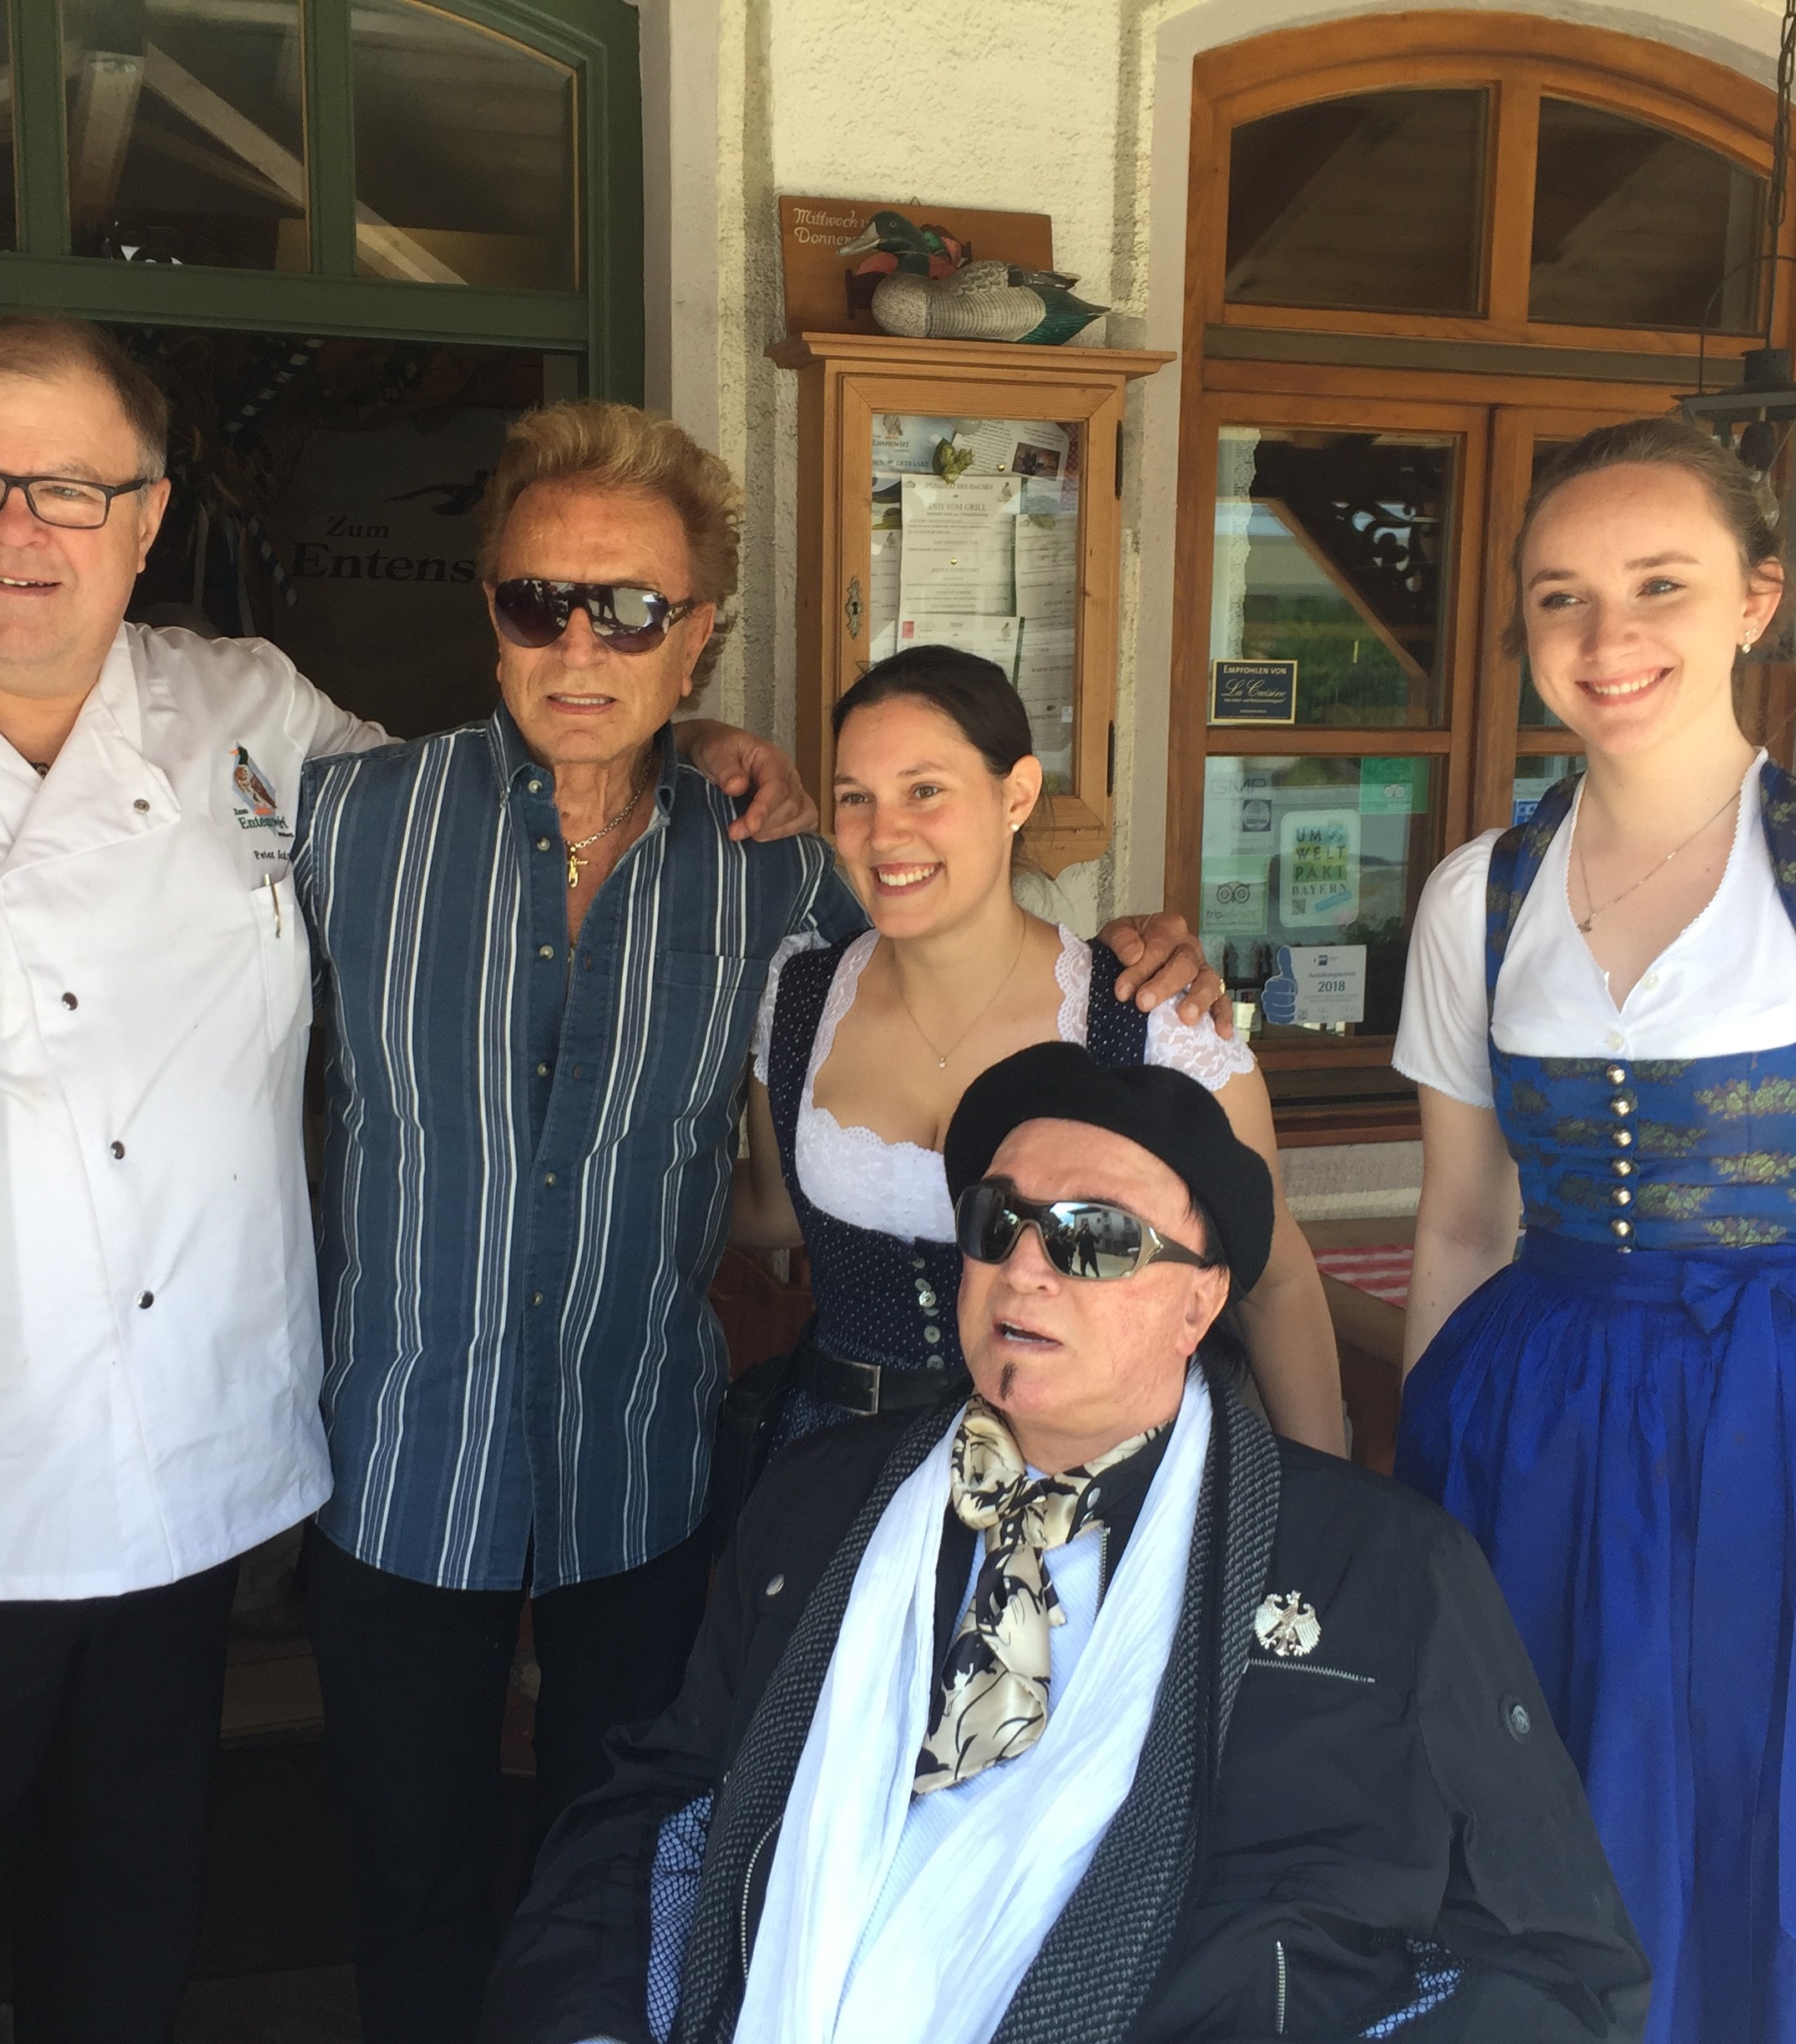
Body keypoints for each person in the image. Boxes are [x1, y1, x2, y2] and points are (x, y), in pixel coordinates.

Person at [0, 313, 807, 2043]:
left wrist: (703, 747)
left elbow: (546, 791)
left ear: (147, 515)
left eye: (72, 488)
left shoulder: (249, 714)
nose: (19, 529)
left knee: (134, 1951)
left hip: (189, 1498)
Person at [291, 401, 1220, 2044]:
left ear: (698, 633)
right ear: (489, 612)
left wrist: (1141, 953)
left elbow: (962, 936)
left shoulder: (774, 870)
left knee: (625, 1871)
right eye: (538, 603)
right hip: (400, 1461)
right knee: (403, 1874)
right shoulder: (349, 822)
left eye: (630, 609)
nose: (582, 647)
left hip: (642, 1471)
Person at [484, 1045, 1652, 2044]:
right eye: (998, 1223)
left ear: (1201, 1302)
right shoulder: (820, 1501)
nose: (1027, 1266)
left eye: (1096, 1238)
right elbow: (663, 1806)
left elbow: (1554, 1966)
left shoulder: (1381, 1574)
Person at [1392, 416, 1796, 2044]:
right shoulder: (1479, 895)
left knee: (1780, 1841)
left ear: (1756, 599)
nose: (1605, 637)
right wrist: (1415, 1540)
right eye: (1559, 596)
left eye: (1658, 585)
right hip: (1531, 1436)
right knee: (1539, 1838)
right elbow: (1459, 1229)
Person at [729, 645, 1343, 1453]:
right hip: (837, 1459)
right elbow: (776, 1209)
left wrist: (1327, 1496)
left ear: (1016, 793)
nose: (883, 833)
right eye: (855, 797)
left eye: (924, 790)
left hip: (1093, 1482)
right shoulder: (799, 997)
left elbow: (1274, 1286)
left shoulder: (1149, 1015)